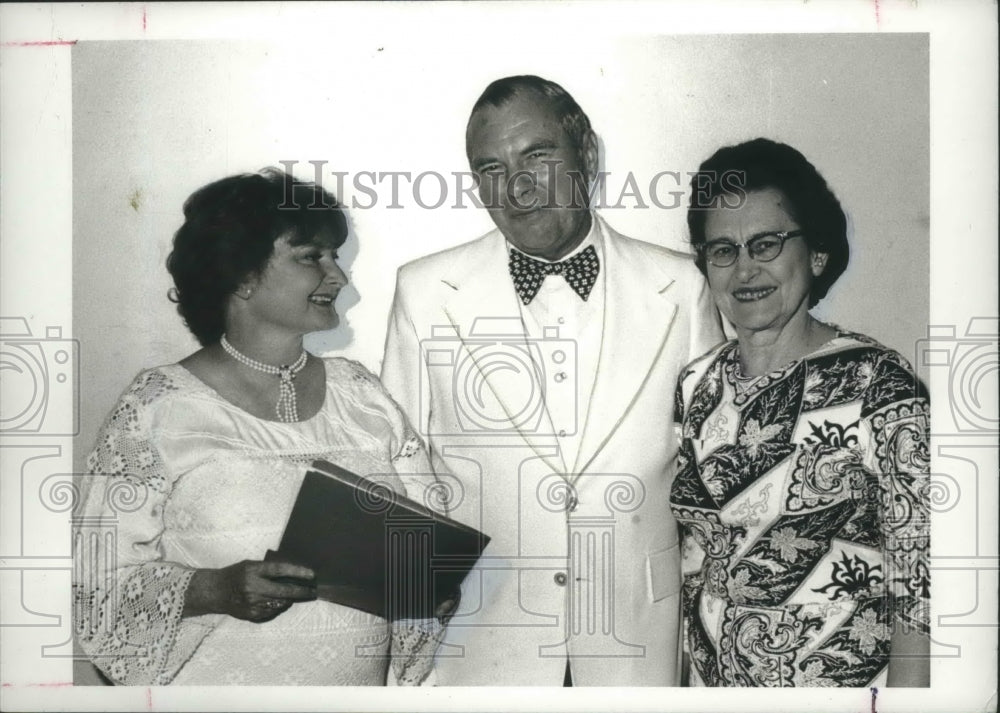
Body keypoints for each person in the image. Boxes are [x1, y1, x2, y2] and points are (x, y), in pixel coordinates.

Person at [380, 75, 724, 686]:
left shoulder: (682, 288)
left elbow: (712, 472)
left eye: (537, 156)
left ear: (586, 155)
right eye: (491, 168)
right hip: (481, 647)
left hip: (636, 645)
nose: (515, 187)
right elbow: (399, 472)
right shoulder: (423, 291)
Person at [73, 169, 446, 686]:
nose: (339, 278)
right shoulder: (157, 407)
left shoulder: (364, 395)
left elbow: (431, 548)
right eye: (311, 256)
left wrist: (430, 577)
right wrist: (216, 590)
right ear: (241, 275)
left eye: (335, 256)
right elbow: (96, 589)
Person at [670, 138, 930, 687]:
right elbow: (693, 564)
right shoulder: (696, 387)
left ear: (815, 253)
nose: (745, 270)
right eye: (723, 250)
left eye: (766, 244)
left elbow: (920, 587)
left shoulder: (879, 384)